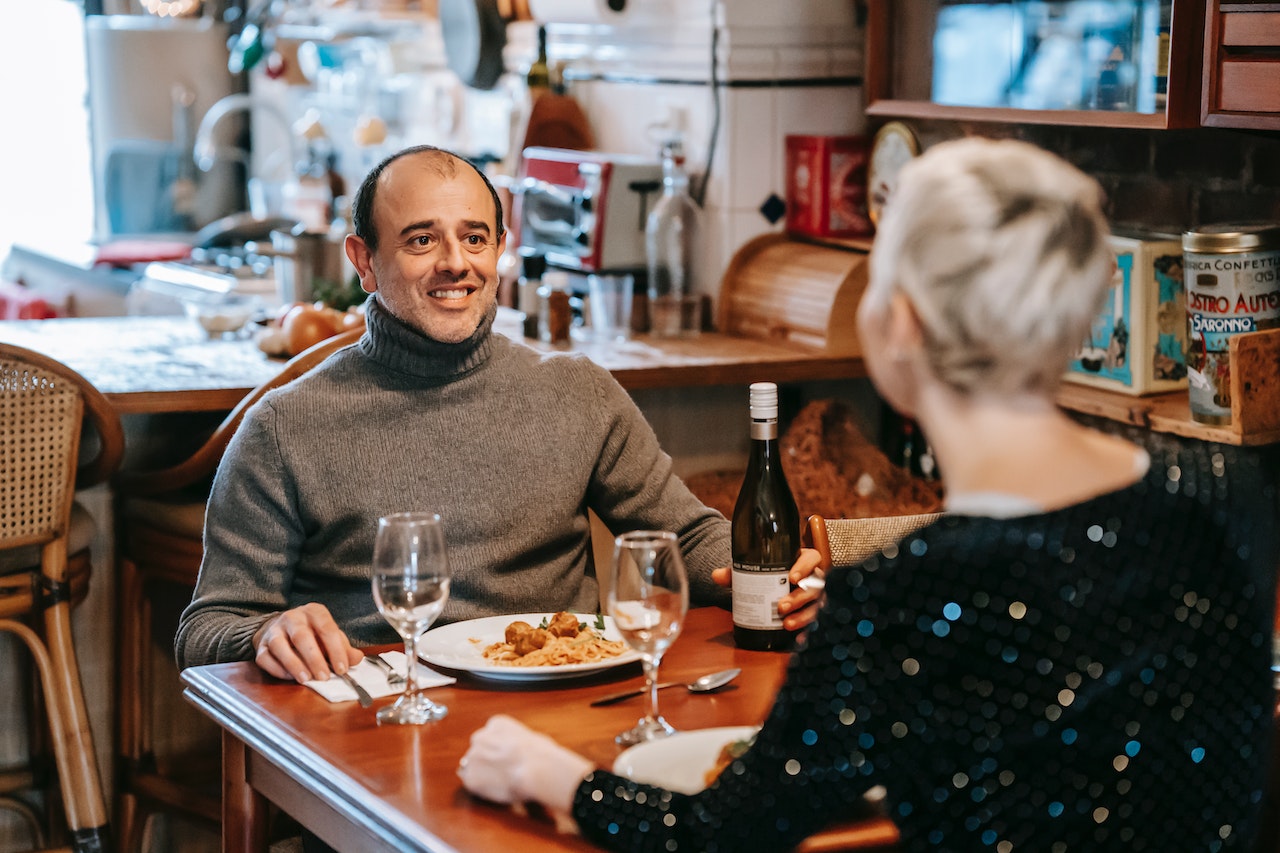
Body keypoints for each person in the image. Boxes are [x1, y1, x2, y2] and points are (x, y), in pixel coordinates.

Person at [458, 137, 1280, 850]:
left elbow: (719, 834)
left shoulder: (902, 592)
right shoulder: (1223, 492)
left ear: (905, 324)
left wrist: (559, 777)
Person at [174, 144, 823, 683]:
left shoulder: (578, 393)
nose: (456, 263)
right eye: (422, 239)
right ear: (364, 261)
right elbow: (206, 629)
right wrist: (264, 630)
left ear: (500, 252)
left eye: (475, 238)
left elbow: (685, 538)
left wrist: (769, 576)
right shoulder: (284, 427)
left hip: (566, 712)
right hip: (382, 730)